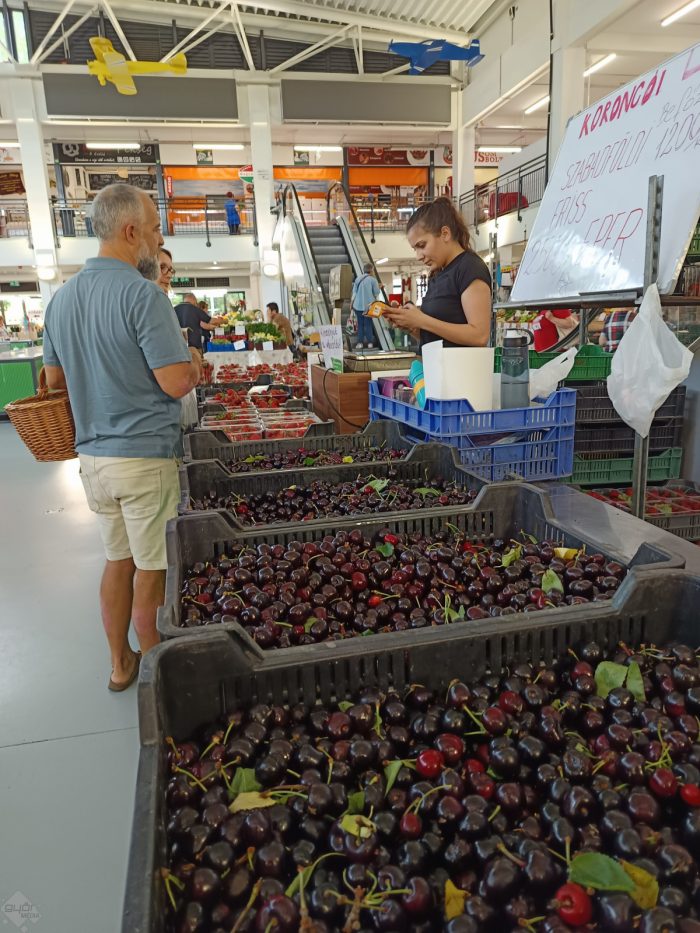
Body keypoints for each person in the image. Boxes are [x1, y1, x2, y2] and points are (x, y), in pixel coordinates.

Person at [42, 184, 201, 690]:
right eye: (155, 229)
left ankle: (120, 664)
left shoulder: (60, 300)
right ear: (131, 232)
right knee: (152, 569)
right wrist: (195, 362)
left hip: (93, 458)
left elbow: (53, 383)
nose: (159, 239)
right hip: (143, 458)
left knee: (118, 560)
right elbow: (175, 383)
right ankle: (158, 677)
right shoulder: (142, 295)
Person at [384, 197, 491, 348]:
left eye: (422, 245)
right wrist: (411, 326)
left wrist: (422, 320)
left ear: (445, 233)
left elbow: (479, 336)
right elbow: (436, 338)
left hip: (461, 364)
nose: (418, 256)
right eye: (415, 249)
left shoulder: (469, 267)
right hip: (437, 362)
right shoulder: (437, 274)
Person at [350, 262, 381, 350]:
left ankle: (360, 343)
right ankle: (370, 343)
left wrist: (352, 303)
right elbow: (376, 293)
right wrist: (379, 287)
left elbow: (354, 293)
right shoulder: (373, 280)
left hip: (358, 305)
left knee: (360, 324)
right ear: (371, 270)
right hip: (368, 306)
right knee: (368, 324)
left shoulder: (358, 279)